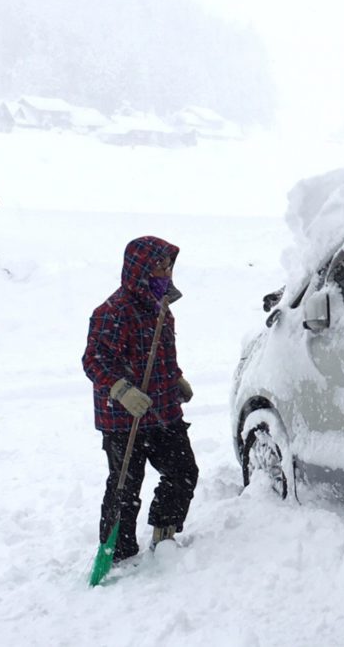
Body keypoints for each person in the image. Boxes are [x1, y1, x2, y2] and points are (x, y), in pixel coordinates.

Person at [82, 236, 198, 563]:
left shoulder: (162, 310)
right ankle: (116, 552)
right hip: (124, 419)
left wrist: (175, 378)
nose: (165, 270)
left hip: (162, 413)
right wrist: (121, 391)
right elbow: (94, 360)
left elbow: (158, 355)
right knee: (124, 489)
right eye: (157, 264)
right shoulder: (112, 311)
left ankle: (165, 532)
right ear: (140, 268)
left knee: (183, 471)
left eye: (167, 264)